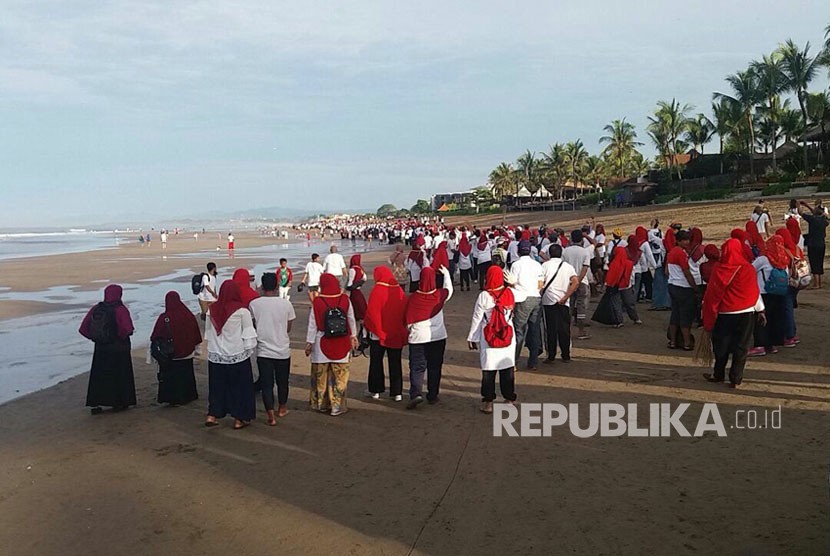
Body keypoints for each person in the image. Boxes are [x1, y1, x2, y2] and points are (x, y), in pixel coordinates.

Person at [702, 239, 765, 388]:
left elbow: (712, 294)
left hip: (725, 313)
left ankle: (718, 374)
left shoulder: (719, 269)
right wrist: (760, 309)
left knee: (721, 345)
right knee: (741, 346)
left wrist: (708, 316)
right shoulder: (748, 268)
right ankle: (736, 378)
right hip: (747, 312)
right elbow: (754, 291)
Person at [204, 281, 257, 428]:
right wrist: (249, 351)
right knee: (239, 388)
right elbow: (248, 335)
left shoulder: (212, 310)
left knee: (217, 387)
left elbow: (208, 333)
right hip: (236, 354)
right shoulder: (242, 311)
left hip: (216, 355)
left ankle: (212, 414)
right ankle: (239, 418)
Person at [305, 274, 358, 416]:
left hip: (321, 341)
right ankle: (337, 406)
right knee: (340, 376)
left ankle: (321, 404)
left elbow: (313, 324)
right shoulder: (345, 299)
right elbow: (351, 318)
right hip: (342, 341)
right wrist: (353, 336)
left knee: (321, 376)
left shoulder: (317, 302)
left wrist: (309, 343)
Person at [468, 265, 518, 414]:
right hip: (507, 334)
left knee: (488, 369)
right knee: (507, 368)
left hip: (489, 335)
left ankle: (488, 402)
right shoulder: (510, 293)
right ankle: (509, 399)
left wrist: (472, 337)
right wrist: (513, 283)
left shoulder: (484, 296)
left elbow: (477, 318)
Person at [79, 285, 137, 414]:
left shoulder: (96, 309)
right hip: (119, 348)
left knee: (100, 376)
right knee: (119, 375)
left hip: (101, 348)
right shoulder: (121, 310)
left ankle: (96, 403)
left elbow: (83, 328)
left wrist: (96, 338)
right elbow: (128, 329)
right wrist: (119, 337)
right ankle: (119, 402)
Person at [249, 273, 296, 425]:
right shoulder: (286, 304)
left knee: (267, 384)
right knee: (283, 381)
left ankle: (270, 414)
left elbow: (254, 324)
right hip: (282, 349)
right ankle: (282, 408)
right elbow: (288, 327)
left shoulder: (254, 304)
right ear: (276, 286)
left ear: (262, 287)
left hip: (263, 349)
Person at [405, 266, 453, 409]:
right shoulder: (439, 295)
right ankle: (432, 395)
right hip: (438, 337)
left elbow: (408, 321)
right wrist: (446, 274)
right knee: (434, 366)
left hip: (418, 337)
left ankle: (416, 394)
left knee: (417, 367)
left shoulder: (414, 298)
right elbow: (449, 289)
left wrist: (412, 330)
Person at [363, 266, 408, 401]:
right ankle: (397, 392)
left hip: (377, 334)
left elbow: (371, 313)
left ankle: (375, 390)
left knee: (376, 362)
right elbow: (404, 310)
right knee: (395, 362)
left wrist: (369, 326)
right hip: (395, 332)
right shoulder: (398, 290)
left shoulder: (377, 290)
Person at [150, 291, 201, 405]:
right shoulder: (188, 315)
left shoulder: (164, 318)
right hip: (187, 353)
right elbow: (195, 333)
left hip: (170, 354)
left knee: (171, 376)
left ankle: (172, 398)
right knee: (186, 373)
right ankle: (189, 395)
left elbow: (155, 335)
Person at [507, 240, 544, 370]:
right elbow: (541, 284)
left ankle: (514, 361)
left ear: (518, 251)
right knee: (534, 330)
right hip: (536, 298)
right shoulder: (537, 265)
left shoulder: (516, 265)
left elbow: (512, 282)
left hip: (522, 298)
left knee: (519, 330)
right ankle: (533, 361)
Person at [539, 244, 579, 363]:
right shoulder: (568, 267)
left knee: (550, 329)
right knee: (564, 329)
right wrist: (566, 296)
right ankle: (565, 355)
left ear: (550, 253)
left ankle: (551, 355)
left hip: (548, 301)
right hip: (563, 301)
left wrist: (540, 293)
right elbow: (575, 282)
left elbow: (541, 283)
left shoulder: (544, 266)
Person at [666, 230, 697, 350]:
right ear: (678, 241)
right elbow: (687, 272)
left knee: (675, 315)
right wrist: (694, 287)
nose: (687, 242)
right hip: (683, 287)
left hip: (672, 285)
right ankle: (686, 342)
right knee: (685, 316)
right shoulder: (681, 253)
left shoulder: (671, 252)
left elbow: (666, 271)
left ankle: (673, 342)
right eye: (684, 240)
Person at [562, 229, 591, 340]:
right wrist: (578, 280)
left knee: (569, 306)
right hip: (582, 282)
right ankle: (581, 331)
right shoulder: (585, 252)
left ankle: (567, 330)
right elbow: (585, 268)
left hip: (568, 282)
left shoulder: (565, 251)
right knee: (581, 307)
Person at [799, 203, 828, 289]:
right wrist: (807, 205)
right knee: (819, 263)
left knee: (814, 263)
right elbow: (818, 213)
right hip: (821, 244)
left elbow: (801, 213)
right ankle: (819, 282)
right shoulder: (824, 220)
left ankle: (816, 284)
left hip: (813, 244)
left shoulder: (812, 219)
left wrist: (799, 206)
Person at [346, 254, 368, 326]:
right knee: (361, 304)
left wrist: (348, 288)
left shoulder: (352, 269)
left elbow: (350, 282)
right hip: (358, 290)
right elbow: (365, 278)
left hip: (353, 291)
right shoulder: (360, 269)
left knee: (354, 305)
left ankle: (357, 317)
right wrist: (360, 284)